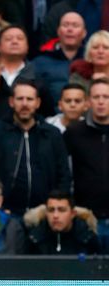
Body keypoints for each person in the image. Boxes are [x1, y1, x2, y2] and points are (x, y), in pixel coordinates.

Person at [0, 79, 71, 216]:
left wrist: (55, 208)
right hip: (5, 213)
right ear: (11, 102)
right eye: (20, 99)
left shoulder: (51, 134)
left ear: (37, 103)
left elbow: (63, 175)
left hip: (44, 215)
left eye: (29, 99)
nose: (25, 104)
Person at [63, 78, 109, 252]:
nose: (101, 101)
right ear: (89, 102)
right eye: (96, 97)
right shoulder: (74, 133)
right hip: (85, 218)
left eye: (106, 96)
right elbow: (64, 172)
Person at [32, 12, 86, 109]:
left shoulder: (91, 61)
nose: (70, 29)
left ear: (84, 33)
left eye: (75, 25)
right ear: (58, 31)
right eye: (65, 25)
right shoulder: (40, 62)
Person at [24, 190, 101, 255]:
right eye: (51, 210)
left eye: (61, 210)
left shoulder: (87, 238)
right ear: (46, 213)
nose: (55, 215)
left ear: (72, 214)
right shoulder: (34, 239)